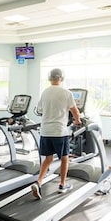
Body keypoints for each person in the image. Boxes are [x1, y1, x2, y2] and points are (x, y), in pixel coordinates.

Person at [31, 68, 81, 200]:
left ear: (50, 78)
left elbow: (40, 109)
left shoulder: (45, 92)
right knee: (64, 158)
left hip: (45, 131)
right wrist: (77, 121)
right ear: (61, 78)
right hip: (59, 131)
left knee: (48, 158)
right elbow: (75, 111)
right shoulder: (66, 92)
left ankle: (39, 182)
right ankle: (62, 184)